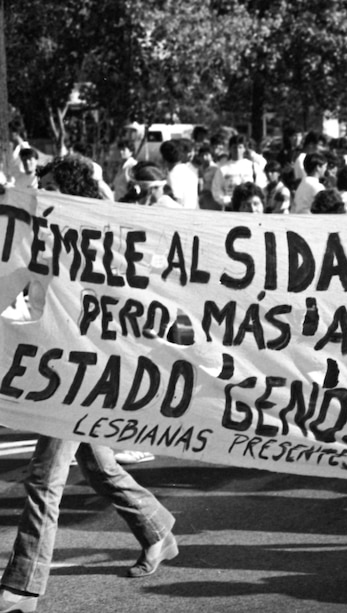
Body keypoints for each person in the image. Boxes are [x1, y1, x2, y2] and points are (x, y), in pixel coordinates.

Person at [0, 156, 178, 613]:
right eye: (42, 182)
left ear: (72, 190)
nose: (42, 189)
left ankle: (23, 587)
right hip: (57, 368)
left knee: (44, 478)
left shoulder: (103, 239)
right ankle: (157, 528)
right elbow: (14, 289)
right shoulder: (38, 235)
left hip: (85, 374)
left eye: (51, 183)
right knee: (99, 467)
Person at [210, 134, 267, 210]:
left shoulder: (252, 166)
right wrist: (227, 201)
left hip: (250, 208)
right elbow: (216, 190)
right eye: (234, 147)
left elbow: (261, 185)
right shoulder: (223, 168)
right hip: (230, 207)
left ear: (245, 149)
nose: (237, 150)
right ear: (230, 148)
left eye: (240, 147)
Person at [160, 140, 199, 209]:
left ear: (163, 157)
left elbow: (177, 200)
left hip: (180, 215)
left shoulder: (173, 174)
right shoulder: (190, 170)